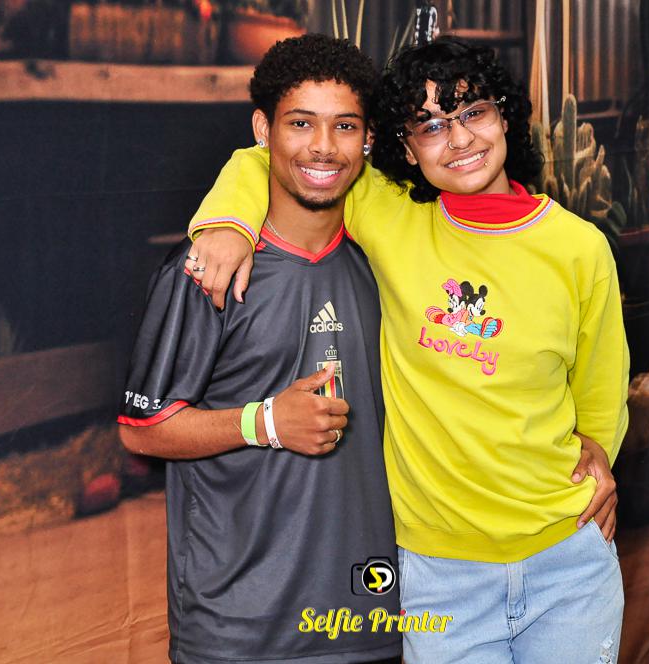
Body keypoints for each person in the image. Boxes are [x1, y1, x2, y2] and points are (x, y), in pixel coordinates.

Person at [184, 37, 629, 664]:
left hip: (569, 561)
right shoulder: (391, 216)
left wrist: (601, 457)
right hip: (441, 574)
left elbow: (601, 388)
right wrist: (226, 226)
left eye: (473, 112)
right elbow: (274, 159)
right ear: (406, 147)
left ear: (505, 116)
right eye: (431, 125)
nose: (460, 139)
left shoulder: (580, 249)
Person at [117, 35, 403, 664]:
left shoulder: (386, 266)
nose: (323, 146)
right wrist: (265, 422)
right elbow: (143, 430)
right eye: (300, 123)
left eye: (345, 126)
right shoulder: (209, 268)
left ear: (368, 139)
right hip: (238, 631)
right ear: (263, 130)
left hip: (370, 622)